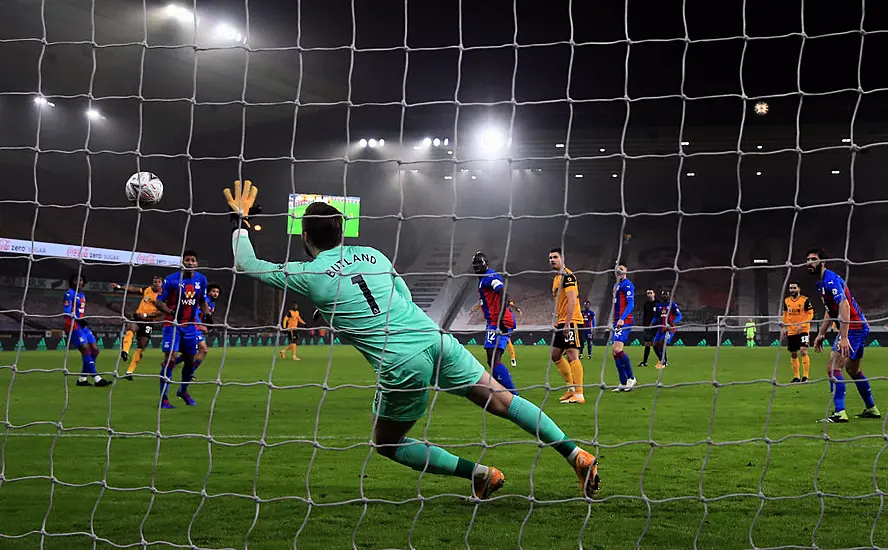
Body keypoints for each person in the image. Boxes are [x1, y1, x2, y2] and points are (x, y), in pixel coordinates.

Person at [224, 180, 600, 499]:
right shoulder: (372, 255)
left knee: (387, 444)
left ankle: (480, 474)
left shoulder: (309, 274)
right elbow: (401, 296)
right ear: (343, 231)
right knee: (503, 401)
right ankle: (576, 455)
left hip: (400, 360)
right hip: (435, 339)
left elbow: (246, 264)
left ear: (305, 237)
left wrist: (240, 220)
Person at [806, 248, 880, 422]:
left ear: (823, 262)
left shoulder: (830, 280)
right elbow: (830, 311)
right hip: (859, 327)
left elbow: (844, 306)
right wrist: (821, 334)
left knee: (833, 367)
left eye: (813, 259)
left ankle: (840, 413)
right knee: (853, 370)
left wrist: (844, 337)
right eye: (808, 259)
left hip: (853, 328)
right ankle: (872, 409)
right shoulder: (822, 283)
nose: (809, 263)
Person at [154, 250, 209, 409]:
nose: (190, 262)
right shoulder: (171, 280)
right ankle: (163, 398)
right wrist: (170, 311)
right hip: (172, 324)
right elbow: (159, 302)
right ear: (182, 262)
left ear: (197, 264)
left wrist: (207, 316)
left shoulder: (201, 279)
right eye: (187, 260)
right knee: (170, 359)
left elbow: (203, 301)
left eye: (193, 260)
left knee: (190, 361)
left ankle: (183, 391)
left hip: (191, 326)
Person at [471, 251, 517, 394]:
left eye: (480, 262)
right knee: (492, 359)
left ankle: (513, 394)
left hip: (499, 321)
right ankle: (503, 391)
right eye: (475, 263)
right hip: (494, 321)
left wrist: (502, 319)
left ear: (487, 264)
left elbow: (504, 293)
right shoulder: (483, 279)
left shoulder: (490, 277)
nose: (478, 266)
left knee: (494, 359)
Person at [548, 248, 586, 404]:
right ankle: (570, 388)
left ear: (563, 258)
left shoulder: (568, 277)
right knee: (555, 355)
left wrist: (568, 324)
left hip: (573, 321)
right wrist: (557, 318)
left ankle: (579, 393)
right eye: (550, 257)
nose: (552, 260)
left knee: (572, 354)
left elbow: (572, 300)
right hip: (562, 321)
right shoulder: (557, 279)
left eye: (555, 257)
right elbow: (561, 302)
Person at [112, 275, 164, 380]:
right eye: (155, 281)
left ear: (162, 283)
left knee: (142, 346)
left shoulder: (163, 296)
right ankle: (125, 351)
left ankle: (129, 372)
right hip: (137, 317)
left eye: (158, 282)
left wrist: (147, 315)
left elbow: (161, 312)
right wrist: (119, 287)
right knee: (131, 328)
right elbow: (134, 290)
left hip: (148, 321)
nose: (156, 283)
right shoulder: (147, 290)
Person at [65, 274, 110, 387]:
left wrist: (82, 320)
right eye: (76, 280)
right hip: (73, 325)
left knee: (95, 350)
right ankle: (97, 378)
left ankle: (82, 379)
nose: (78, 282)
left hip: (82, 325)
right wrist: (75, 319)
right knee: (85, 349)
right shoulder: (69, 293)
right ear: (72, 282)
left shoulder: (82, 295)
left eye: (80, 280)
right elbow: (66, 310)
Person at [611, 265, 636, 391]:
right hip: (617, 322)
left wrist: (622, 318)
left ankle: (631, 378)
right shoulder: (616, 286)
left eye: (621, 269)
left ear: (625, 272)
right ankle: (623, 382)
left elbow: (631, 304)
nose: (619, 271)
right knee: (614, 352)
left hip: (624, 321)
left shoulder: (628, 285)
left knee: (617, 349)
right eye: (617, 270)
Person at [782, 282, 813, 383]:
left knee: (804, 350)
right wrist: (784, 328)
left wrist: (803, 325)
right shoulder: (786, 301)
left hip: (804, 330)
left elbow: (810, 314)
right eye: (791, 288)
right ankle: (796, 377)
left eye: (794, 288)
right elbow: (785, 315)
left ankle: (805, 377)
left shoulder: (805, 300)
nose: (792, 290)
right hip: (792, 331)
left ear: (799, 289)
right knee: (793, 354)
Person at [650, 289, 682, 370]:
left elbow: (679, 315)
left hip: (669, 329)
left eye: (666, 294)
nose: (665, 296)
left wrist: (674, 322)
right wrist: (652, 322)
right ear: (661, 296)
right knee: (654, 345)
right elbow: (656, 316)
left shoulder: (673, 305)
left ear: (669, 296)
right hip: (660, 329)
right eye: (663, 294)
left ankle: (663, 361)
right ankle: (662, 359)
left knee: (661, 343)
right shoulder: (658, 305)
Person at [638, 289, 657, 367]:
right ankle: (645, 361)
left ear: (654, 294)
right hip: (647, 327)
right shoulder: (646, 304)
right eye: (648, 293)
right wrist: (644, 325)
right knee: (647, 344)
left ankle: (664, 360)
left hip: (656, 326)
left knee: (658, 345)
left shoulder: (658, 303)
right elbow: (645, 315)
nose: (649, 294)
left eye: (650, 293)